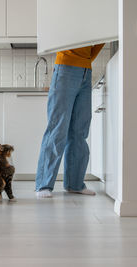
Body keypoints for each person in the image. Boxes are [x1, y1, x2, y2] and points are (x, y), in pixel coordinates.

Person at [35, 44, 105, 198]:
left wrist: (85, 60)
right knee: (57, 129)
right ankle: (43, 185)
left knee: (80, 131)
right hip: (65, 68)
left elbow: (99, 41)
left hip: (86, 71)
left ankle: (75, 184)